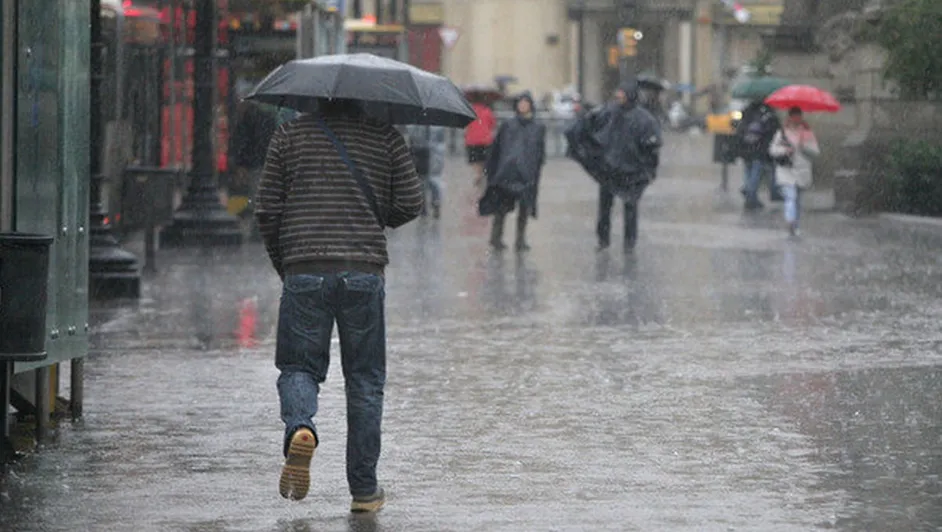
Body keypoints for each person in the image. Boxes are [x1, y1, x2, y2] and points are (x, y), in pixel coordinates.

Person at [254, 99, 423, 513]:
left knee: (298, 366)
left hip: (304, 266)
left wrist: (287, 261)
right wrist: (370, 212)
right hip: (363, 270)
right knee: (364, 379)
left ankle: (300, 428)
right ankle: (364, 491)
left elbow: (266, 208)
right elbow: (411, 203)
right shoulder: (385, 136)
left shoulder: (289, 135)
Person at [595, 81, 662, 252]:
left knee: (630, 208)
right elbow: (595, 131)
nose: (619, 98)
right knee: (604, 208)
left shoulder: (643, 119)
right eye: (618, 95)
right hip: (609, 169)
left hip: (631, 172)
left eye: (622, 95)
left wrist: (649, 169)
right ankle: (603, 241)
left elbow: (652, 147)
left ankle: (629, 243)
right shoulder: (609, 113)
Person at [478, 92, 546, 252]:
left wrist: (535, 168)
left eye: (526, 103)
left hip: (526, 174)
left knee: (524, 208)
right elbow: (498, 148)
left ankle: (520, 240)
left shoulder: (538, 127)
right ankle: (496, 238)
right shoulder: (508, 125)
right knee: (501, 208)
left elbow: (539, 151)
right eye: (520, 103)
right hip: (507, 172)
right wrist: (493, 169)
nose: (523, 106)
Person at [769, 107, 820, 237]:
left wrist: (804, 147)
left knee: (797, 199)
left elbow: (815, 152)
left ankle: (795, 225)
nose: (796, 119)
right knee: (790, 196)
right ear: (790, 117)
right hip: (787, 170)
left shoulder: (808, 133)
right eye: (794, 116)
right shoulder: (782, 133)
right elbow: (773, 150)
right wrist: (785, 150)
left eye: (799, 116)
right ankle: (790, 221)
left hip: (802, 170)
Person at [735, 101, 782, 210]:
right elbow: (773, 131)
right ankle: (751, 197)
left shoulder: (747, 111)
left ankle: (749, 192)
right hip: (759, 150)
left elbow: (738, 128)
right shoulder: (768, 114)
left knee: (748, 172)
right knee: (756, 174)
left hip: (746, 148)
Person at [403, 124, 447, 219]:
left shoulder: (414, 124)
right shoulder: (437, 125)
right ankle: (429, 205)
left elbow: (412, 141)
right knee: (426, 181)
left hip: (428, 155)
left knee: (428, 181)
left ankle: (431, 205)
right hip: (424, 155)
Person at [465, 99, 497, 187]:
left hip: (472, 140)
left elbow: (465, 123)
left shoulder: (469, 111)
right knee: (483, 159)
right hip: (485, 140)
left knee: (474, 160)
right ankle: (481, 173)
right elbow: (493, 124)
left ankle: (477, 174)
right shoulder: (487, 111)